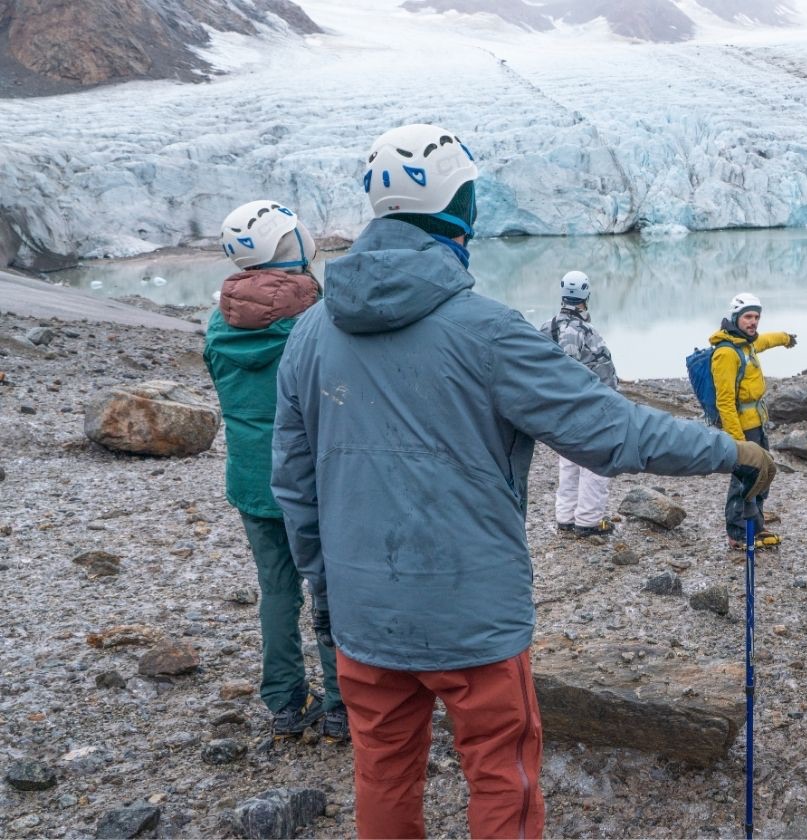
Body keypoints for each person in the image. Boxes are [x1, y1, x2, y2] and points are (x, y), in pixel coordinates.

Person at [270, 123, 776, 840]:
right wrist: (729, 450)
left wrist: (328, 589)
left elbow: (294, 485)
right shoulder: (488, 331)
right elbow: (612, 431)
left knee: (381, 773)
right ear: (463, 208)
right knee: (500, 775)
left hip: (364, 611)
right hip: (474, 612)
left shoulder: (309, 334)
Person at [204, 200, 346, 741]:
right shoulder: (317, 318)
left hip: (250, 480)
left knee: (278, 590)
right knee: (333, 590)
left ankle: (285, 704)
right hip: (314, 482)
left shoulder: (219, 322)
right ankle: (343, 704)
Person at [709, 292, 797, 551]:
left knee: (762, 476)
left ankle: (755, 525)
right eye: (748, 316)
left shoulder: (745, 344)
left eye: (756, 317)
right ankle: (738, 533)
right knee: (743, 480)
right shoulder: (726, 353)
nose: (753, 322)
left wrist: (785, 338)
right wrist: (738, 441)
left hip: (756, 424)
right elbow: (725, 401)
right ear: (736, 317)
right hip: (742, 429)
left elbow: (765, 340)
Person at [540, 269, 619, 538]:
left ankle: (565, 516)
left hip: (560, 411)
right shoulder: (583, 331)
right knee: (596, 462)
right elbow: (588, 372)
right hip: (589, 408)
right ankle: (588, 520)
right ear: (586, 296)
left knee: (569, 461)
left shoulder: (547, 327)